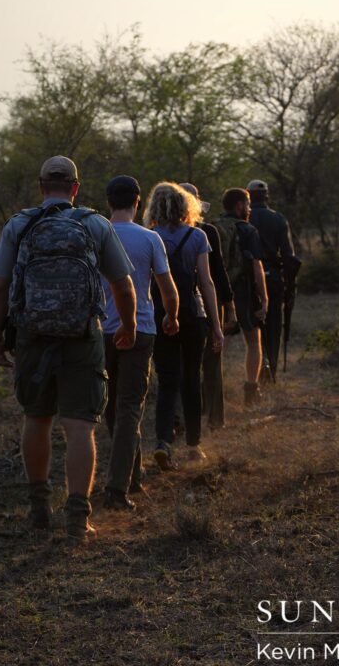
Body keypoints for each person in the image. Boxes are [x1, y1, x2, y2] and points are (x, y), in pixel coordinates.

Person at [0, 156, 137, 540]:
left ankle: (39, 510)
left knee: (36, 419)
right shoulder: (95, 224)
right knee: (79, 428)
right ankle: (76, 518)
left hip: (31, 335)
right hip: (82, 335)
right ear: (75, 188)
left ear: (41, 187)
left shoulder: (19, 225)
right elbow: (123, 285)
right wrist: (129, 325)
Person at [100, 175, 179, 511]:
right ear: (137, 201)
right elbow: (167, 287)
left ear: (108, 202)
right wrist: (172, 316)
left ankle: (130, 478)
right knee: (130, 408)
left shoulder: (93, 235)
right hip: (140, 330)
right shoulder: (149, 238)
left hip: (100, 330)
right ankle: (117, 489)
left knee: (110, 408)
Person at [144, 182, 224, 467]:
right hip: (193, 314)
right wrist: (216, 325)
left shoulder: (149, 236)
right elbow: (206, 282)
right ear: (185, 205)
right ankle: (194, 444)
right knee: (192, 379)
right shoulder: (198, 236)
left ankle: (163, 442)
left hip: (159, 316)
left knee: (167, 382)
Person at [180, 182, 236, 430]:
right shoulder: (206, 231)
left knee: (183, 364)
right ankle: (214, 418)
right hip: (207, 303)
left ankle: (183, 417)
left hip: (177, 305)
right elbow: (217, 274)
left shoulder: (159, 231)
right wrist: (228, 306)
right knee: (212, 364)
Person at [214, 187, 268, 407]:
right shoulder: (247, 230)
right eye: (247, 203)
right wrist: (264, 299)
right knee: (253, 341)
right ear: (239, 205)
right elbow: (256, 265)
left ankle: (214, 388)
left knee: (220, 340)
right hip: (243, 291)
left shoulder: (213, 227)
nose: (249, 208)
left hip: (218, 291)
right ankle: (251, 391)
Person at [247, 179, 298, 381]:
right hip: (273, 278)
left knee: (252, 329)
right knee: (274, 326)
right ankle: (270, 372)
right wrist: (289, 282)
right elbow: (288, 255)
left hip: (248, 280)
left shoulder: (244, 218)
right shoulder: (278, 219)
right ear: (266, 195)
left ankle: (256, 371)